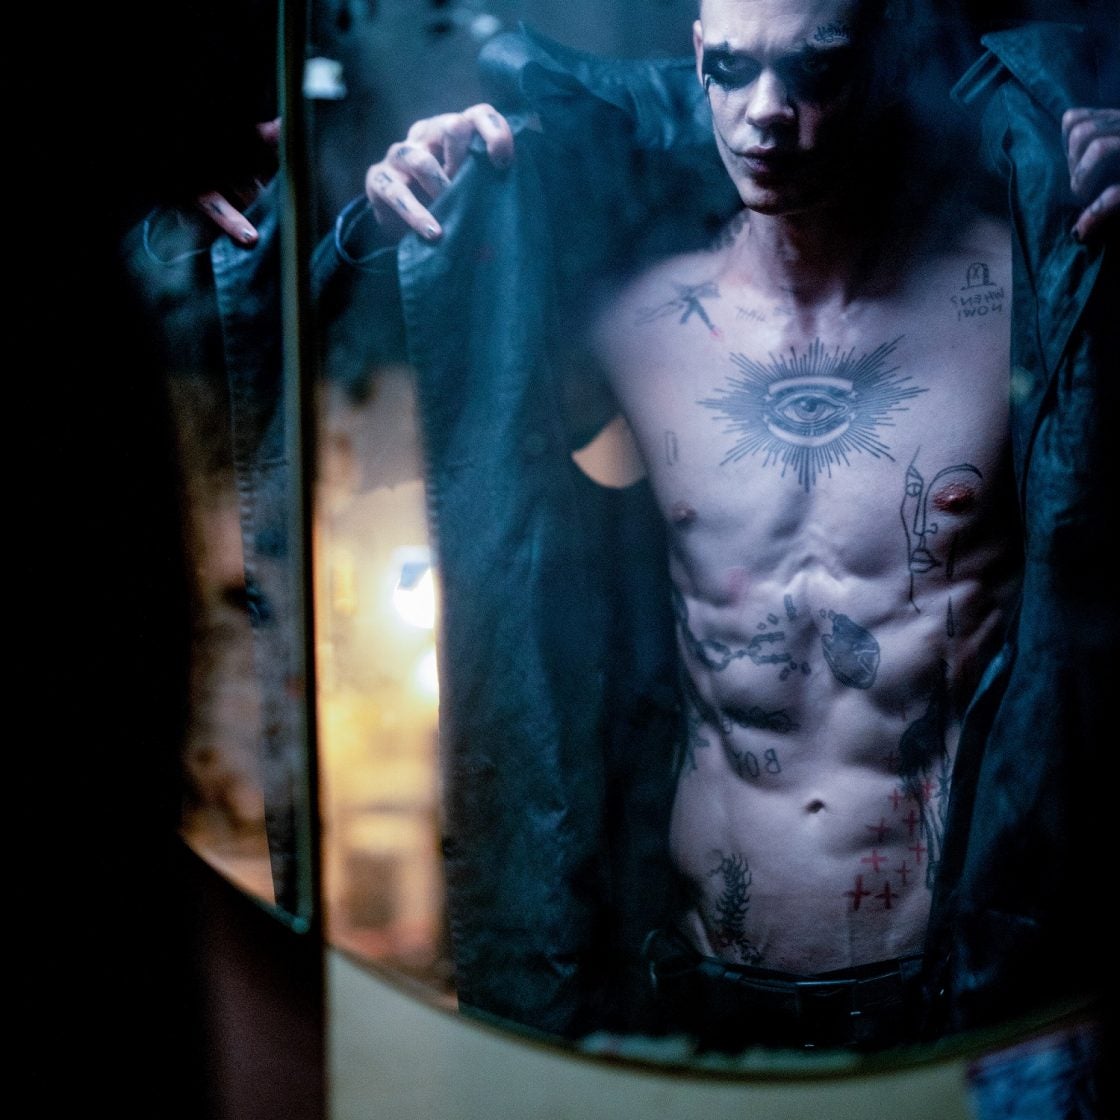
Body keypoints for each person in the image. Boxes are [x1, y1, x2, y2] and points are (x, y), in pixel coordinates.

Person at [347, 0, 1118, 1061]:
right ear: (697, 59)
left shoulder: (1019, 297)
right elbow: (404, 401)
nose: (767, 115)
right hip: (696, 982)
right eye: (734, 70)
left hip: (949, 994)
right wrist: (401, 214)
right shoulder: (636, 320)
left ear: (879, 65)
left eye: (815, 70)